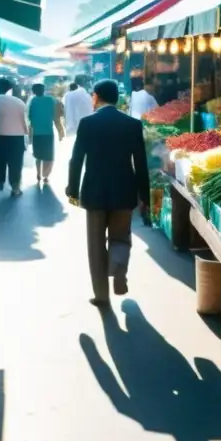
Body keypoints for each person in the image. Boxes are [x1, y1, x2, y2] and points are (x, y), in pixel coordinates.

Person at [67, 79, 150, 306]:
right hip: (124, 191)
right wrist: (145, 196)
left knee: (95, 245)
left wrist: (72, 190)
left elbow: (76, 160)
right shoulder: (132, 124)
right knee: (121, 237)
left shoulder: (87, 123)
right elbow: (141, 163)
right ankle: (119, 272)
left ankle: (101, 295)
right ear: (117, 98)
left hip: (94, 193)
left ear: (96, 96)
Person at [0, 77, 28, 196]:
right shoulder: (19, 102)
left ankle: (0, 179)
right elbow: (25, 122)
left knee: (0, 160)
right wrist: (27, 138)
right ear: (11, 88)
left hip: (0, 137)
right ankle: (15, 188)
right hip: (17, 137)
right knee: (16, 163)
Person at [27, 83, 64, 187]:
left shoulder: (33, 101)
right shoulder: (51, 99)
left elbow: (30, 118)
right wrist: (60, 131)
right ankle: (46, 176)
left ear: (34, 91)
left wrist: (30, 135)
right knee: (49, 156)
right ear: (44, 90)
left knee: (38, 156)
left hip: (37, 134)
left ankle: (38, 174)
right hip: (48, 133)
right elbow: (59, 113)